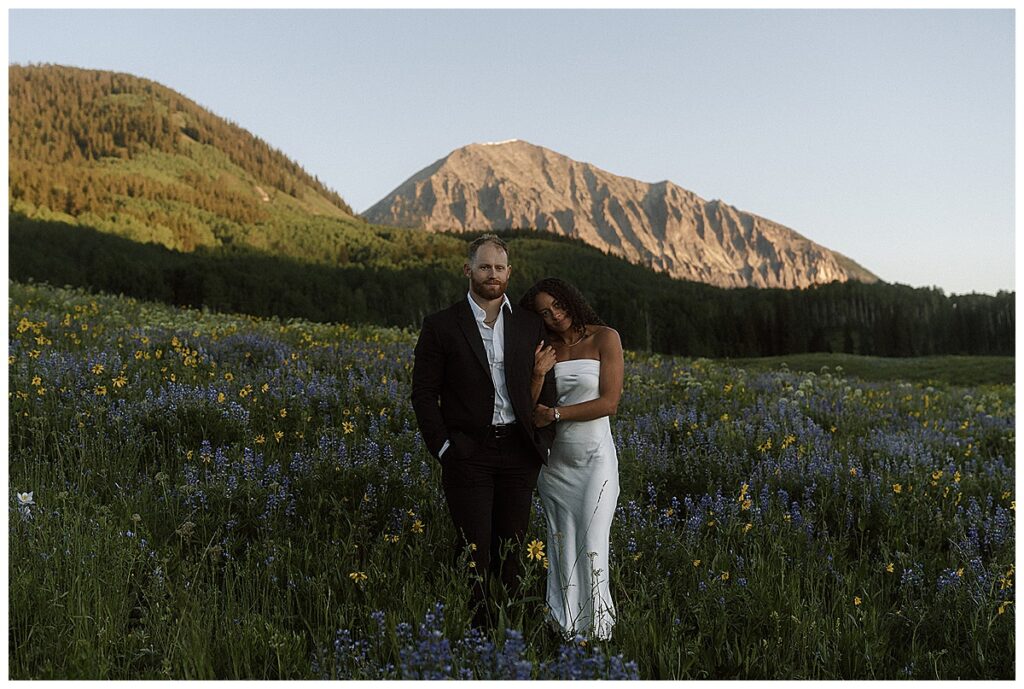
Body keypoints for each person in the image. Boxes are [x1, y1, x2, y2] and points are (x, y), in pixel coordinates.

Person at [411, 234, 558, 629]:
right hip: (466, 454)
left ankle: (510, 635)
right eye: (484, 267)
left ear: (509, 273)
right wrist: (443, 448)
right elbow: (423, 395)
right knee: (473, 551)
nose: (492, 274)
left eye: (499, 268)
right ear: (468, 270)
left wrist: (539, 443)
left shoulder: (529, 325)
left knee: (512, 554)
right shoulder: (441, 325)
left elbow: (550, 386)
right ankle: (477, 637)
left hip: (518, 454)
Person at [519, 277, 623, 641]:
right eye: (545, 313)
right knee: (561, 543)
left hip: (596, 460)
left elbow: (609, 403)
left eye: (559, 306)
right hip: (555, 463)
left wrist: (558, 414)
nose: (555, 316)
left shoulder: (604, 338)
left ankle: (598, 630)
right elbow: (528, 411)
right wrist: (536, 373)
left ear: (571, 301)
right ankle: (564, 628)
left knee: (593, 541)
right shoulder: (542, 349)